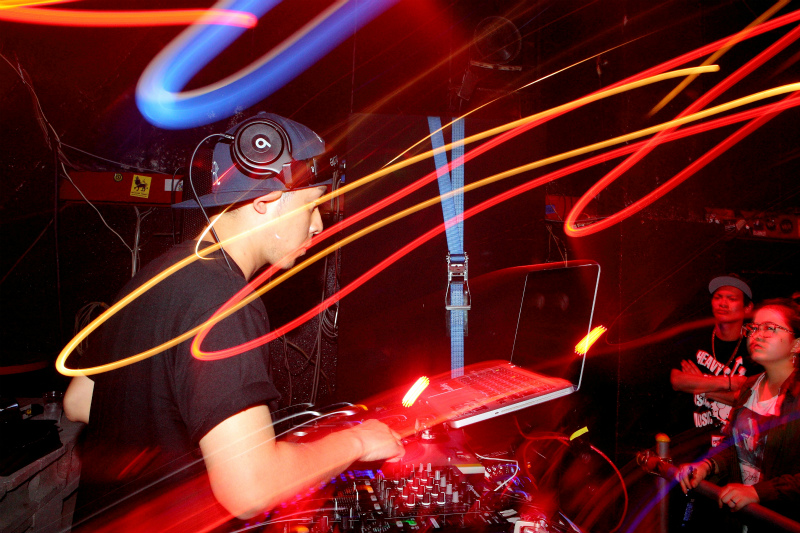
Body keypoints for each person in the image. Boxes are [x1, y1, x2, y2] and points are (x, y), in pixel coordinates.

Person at [63, 113, 404, 528]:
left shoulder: (155, 273)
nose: (318, 225)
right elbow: (252, 490)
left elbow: (79, 401)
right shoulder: (224, 301)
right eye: (312, 205)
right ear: (265, 201)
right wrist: (358, 441)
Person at [676, 298, 800, 532]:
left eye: (770, 328)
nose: (757, 335)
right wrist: (707, 465)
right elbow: (737, 446)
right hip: (742, 521)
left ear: (796, 344)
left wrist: (758, 492)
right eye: (753, 328)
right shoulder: (750, 387)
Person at [670, 274, 758, 451]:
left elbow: (746, 398)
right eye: (718, 297)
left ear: (748, 308)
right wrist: (729, 382)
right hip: (691, 443)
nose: (723, 303)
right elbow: (677, 380)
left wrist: (698, 384)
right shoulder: (695, 339)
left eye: (731, 299)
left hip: (734, 446)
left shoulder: (754, 348)